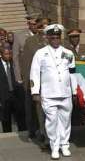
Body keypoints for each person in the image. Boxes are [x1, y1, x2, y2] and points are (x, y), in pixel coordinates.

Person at [30, 24, 76, 159]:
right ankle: (54, 146)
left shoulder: (68, 53)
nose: (55, 40)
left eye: (58, 37)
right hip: (49, 94)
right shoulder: (41, 53)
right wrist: (35, 92)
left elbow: (73, 73)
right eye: (53, 38)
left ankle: (65, 145)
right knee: (51, 122)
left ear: (60, 38)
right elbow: (34, 73)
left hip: (65, 93)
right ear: (48, 38)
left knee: (66, 120)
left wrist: (74, 91)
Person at [23, 17, 50, 148]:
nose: (44, 28)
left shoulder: (55, 40)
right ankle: (45, 136)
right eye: (41, 26)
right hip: (39, 84)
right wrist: (30, 86)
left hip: (54, 84)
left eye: (46, 26)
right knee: (41, 112)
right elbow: (27, 64)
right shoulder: (30, 42)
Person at [0, 47, 26, 132]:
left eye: (10, 54)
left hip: (16, 95)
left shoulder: (14, 64)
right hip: (4, 96)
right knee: (6, 118)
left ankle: (23, 132)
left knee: (20, 115)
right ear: (1, 55)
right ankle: (7, 134)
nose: (8, 56)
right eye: (6, 54)